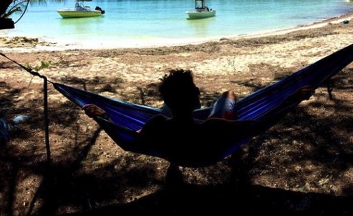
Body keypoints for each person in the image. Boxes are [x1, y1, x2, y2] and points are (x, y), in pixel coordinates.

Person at [82, 69, 314, 181]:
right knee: (228, 95)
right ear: (196, 98)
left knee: (168, 118)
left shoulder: (158, 125)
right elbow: (259, 124)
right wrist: (292, 99)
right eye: (195, 90)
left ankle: (178, 116)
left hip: (177, 150)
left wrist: (104, 118)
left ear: (168, 102)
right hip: (209, 149)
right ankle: (223, 99)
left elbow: (130, 139)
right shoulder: (215, 126)